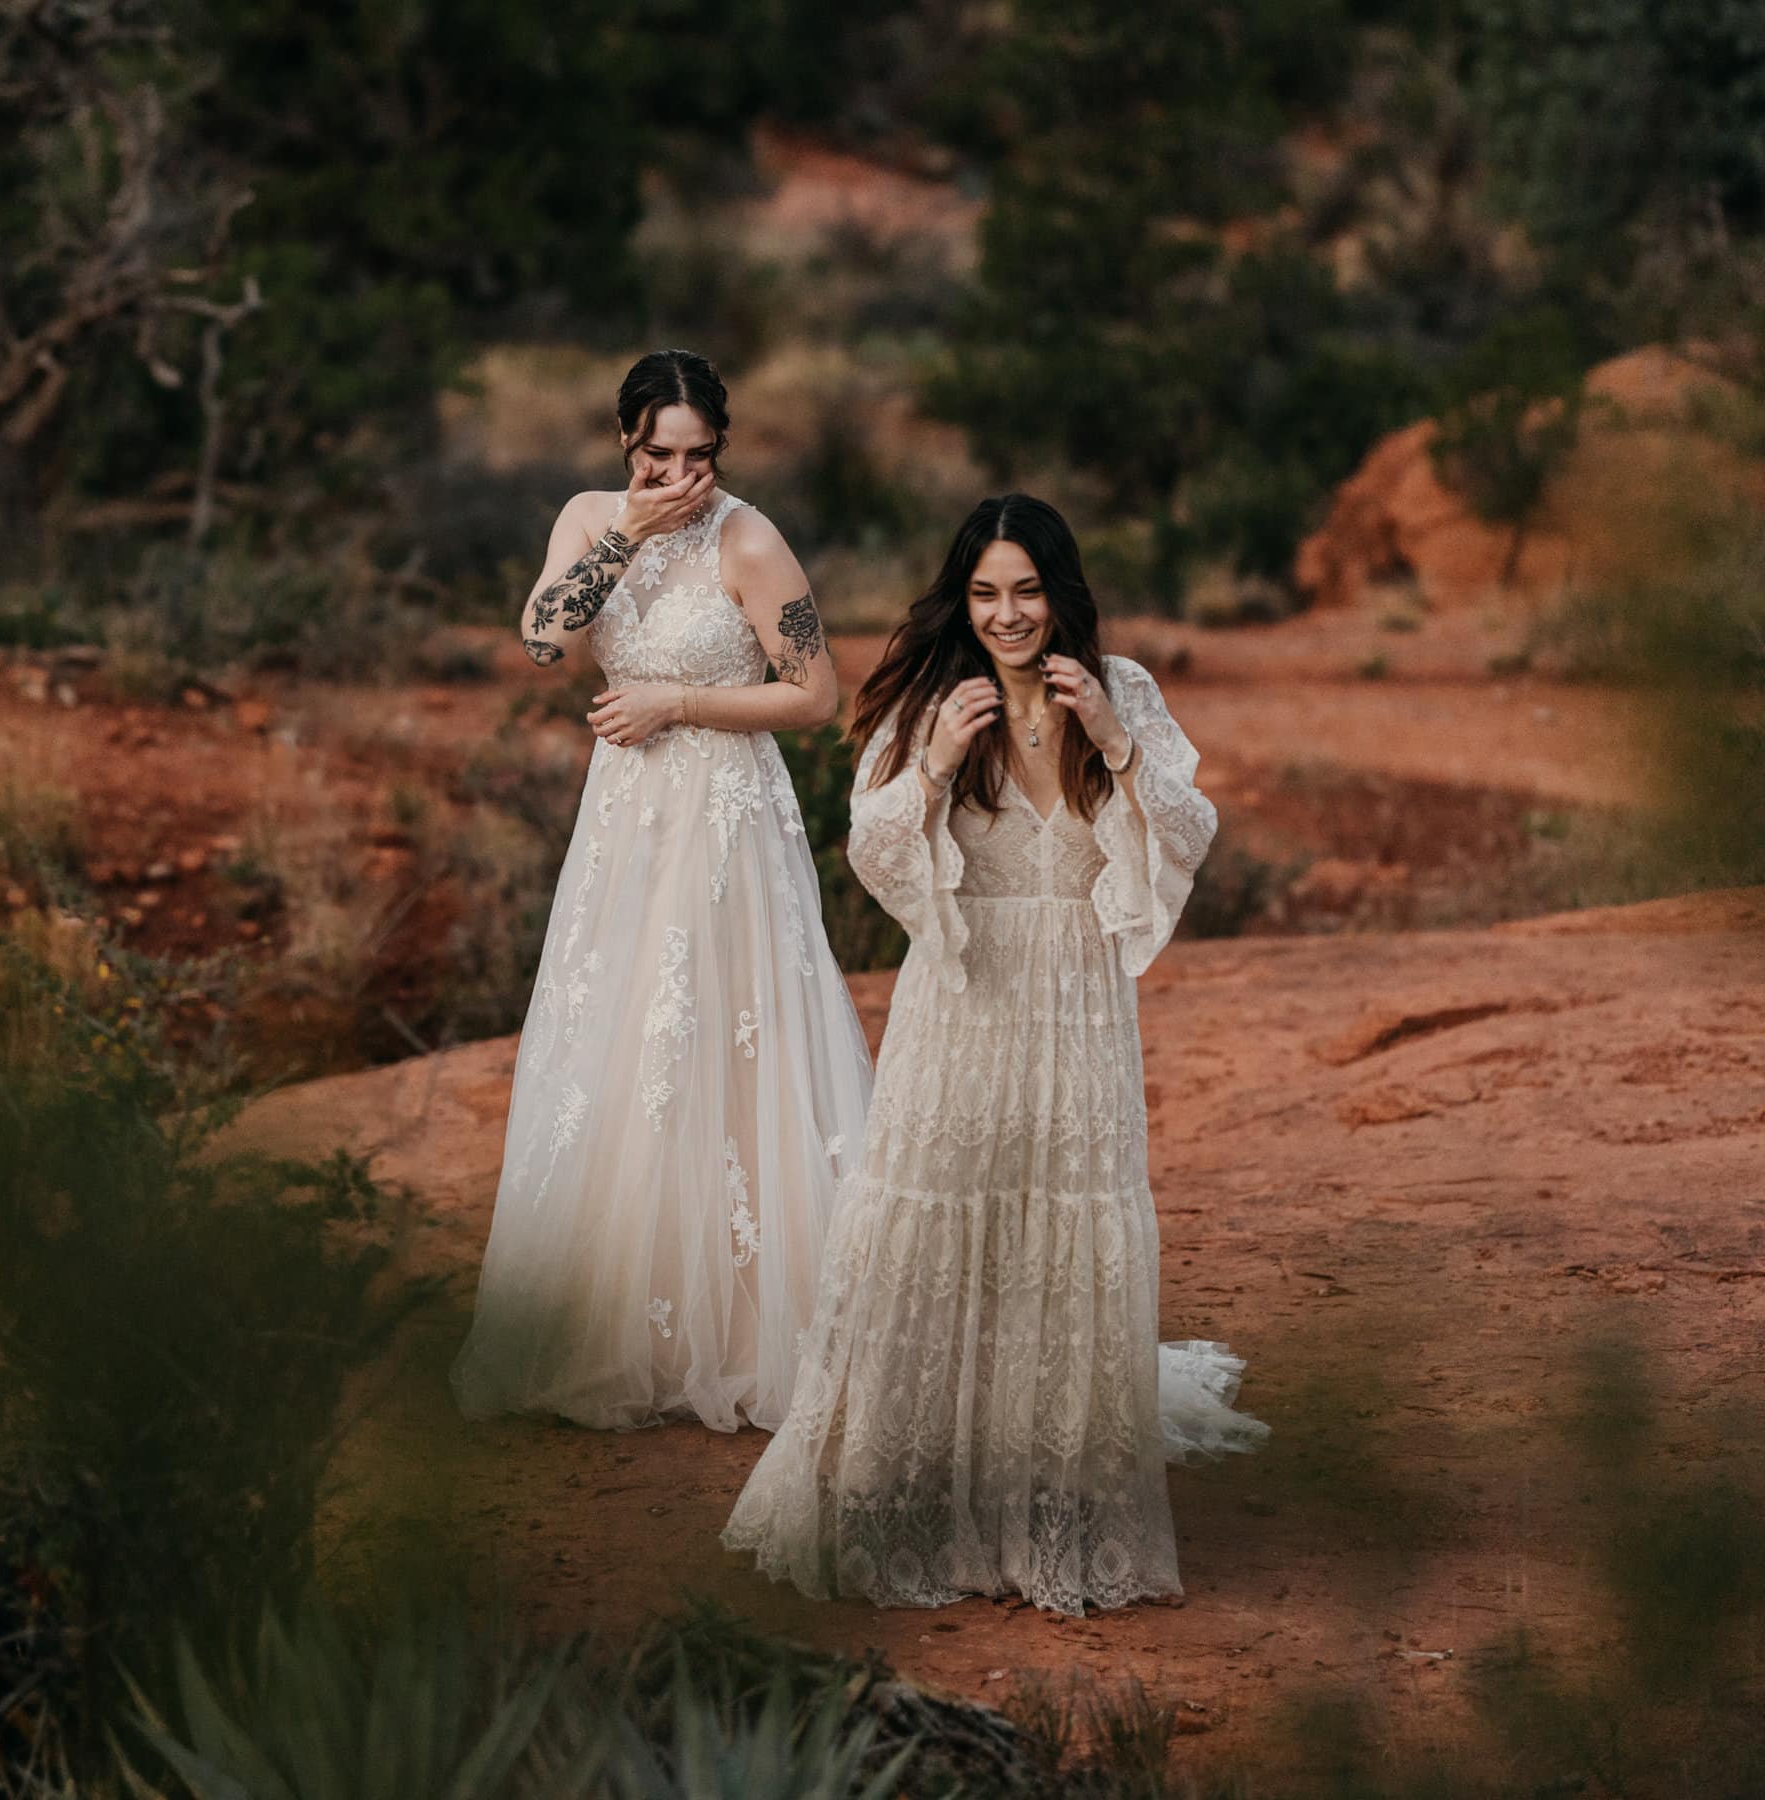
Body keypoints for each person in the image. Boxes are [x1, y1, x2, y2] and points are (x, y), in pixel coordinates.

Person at [722, 493, 1266, 1613]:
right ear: (960, 600)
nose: (1007, 614)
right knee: (934, 1218)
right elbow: (876, 853)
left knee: (1062, 1222)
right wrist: (928, 768)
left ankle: (1054, 1507)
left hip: (1076, 1002)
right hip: (961, 1002)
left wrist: (1111, 741)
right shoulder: (934, 695)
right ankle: (907, 1499)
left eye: (1026, 591)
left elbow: (1187, 834)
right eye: (984, 593)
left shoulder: (1126, 692)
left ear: (1060, 594)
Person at [450, 349, 873, 1434]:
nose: (678, 474)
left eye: (697, 456)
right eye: (656, 454)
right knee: (624, 1036)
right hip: (626, 821)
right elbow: (546, 643)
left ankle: (751, 1327)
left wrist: (678, 700)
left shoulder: (752, 538)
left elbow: (816, 695)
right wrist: (628, 535)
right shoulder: (592, 516)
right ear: (625, 444)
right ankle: (629, 1328)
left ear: (718, 450)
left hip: (725, 815)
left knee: (729, 1042)